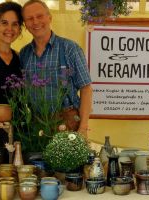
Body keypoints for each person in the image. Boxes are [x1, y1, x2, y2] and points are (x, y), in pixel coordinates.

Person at [19, 0, 93, 136]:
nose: (35, 22)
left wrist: (83, 128)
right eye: (29, 19)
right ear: (25, 25)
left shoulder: (69, 48)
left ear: (49, 17)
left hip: (69, 124)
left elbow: (86, 89)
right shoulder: (24, 54)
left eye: (39, 16)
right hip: (37, 127)